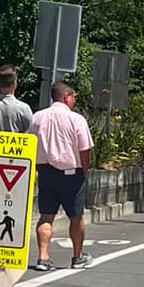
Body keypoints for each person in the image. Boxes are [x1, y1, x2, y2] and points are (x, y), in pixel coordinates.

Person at [30, 79, 94, 272]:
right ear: (67, 97)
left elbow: (30, 143)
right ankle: (77, 257)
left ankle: (43, 257)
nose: (74, 100)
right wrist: (85, 170)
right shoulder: (77, 119)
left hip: (46, 172)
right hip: (71, 174)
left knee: (46, 216)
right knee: (76, 217)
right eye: (73, 96)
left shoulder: (38, 117)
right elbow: (85, 148)